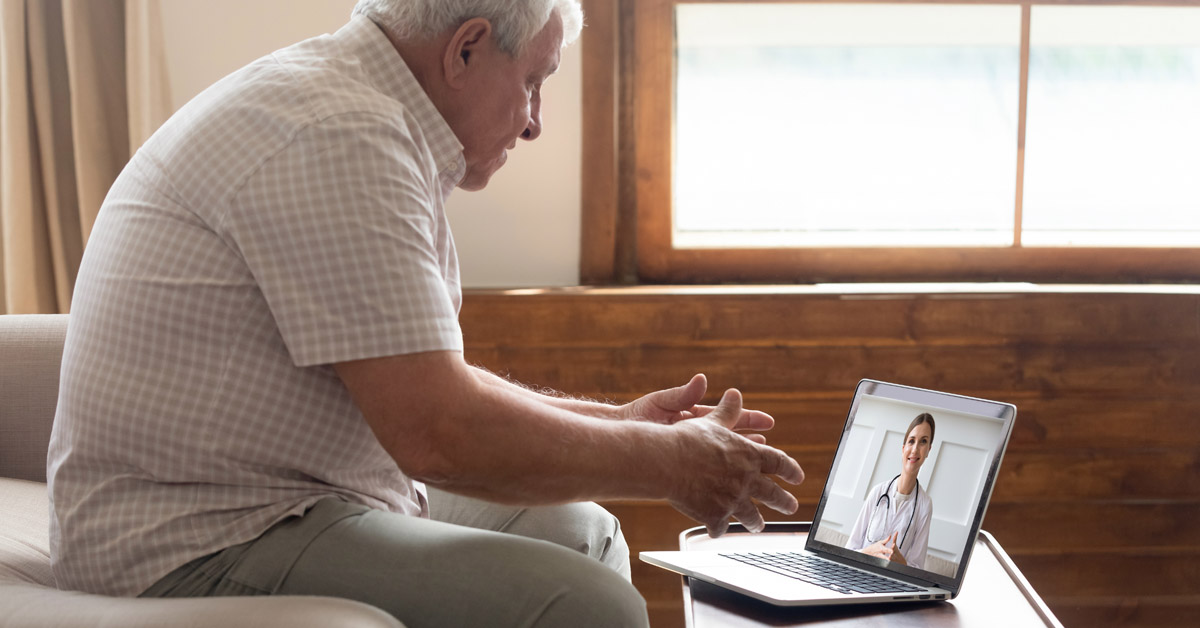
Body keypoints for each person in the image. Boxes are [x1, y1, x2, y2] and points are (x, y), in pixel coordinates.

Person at [45, 1, 805, 626]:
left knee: (583, 530)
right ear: (466, 49)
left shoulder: (352, 106)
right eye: (534, 82)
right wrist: (670, 461)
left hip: (282, 491)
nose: (536, 121)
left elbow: (424, 377)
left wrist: (627, 426)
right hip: (196, 538)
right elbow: (439, 434)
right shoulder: (339, 135)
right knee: (589, 604)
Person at [844, 413, 935, 569]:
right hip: (859, 573)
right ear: (903, 448)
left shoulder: (925, 505)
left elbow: (917, 568)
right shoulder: (877, 492)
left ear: (928, 450)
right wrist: (868, 552)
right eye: (911, 441)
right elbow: (849, 551)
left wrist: (902, 565)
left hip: (891, 584)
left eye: (923, 442)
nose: (914, 449)